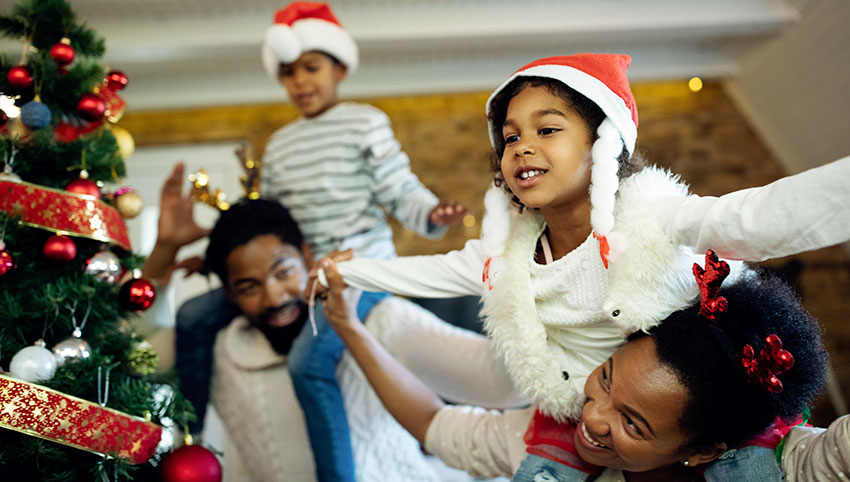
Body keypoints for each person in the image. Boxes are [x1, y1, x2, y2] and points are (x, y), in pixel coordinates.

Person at [316, 53, 850, 480]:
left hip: (711, 393)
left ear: (604, 144)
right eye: (510, 137)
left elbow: (754, 218)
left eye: (547, 130)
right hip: (566, 397)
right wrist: (350, 272)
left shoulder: (654, 218)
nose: (522, 146)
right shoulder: (504, 259)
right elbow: (426, 275)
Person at [174, 3, 467, 480]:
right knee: (193, 315)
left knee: (309, 364)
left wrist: (430, 213)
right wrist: (212, 261)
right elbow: (264, 222)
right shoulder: (282, 144)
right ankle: (185, 436)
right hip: (292, 276)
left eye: (311, 68)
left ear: (341, 68)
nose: (300, 82)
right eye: (288, 73)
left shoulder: (364, 122)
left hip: (357, 272)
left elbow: (398, 186)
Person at [318, 251, 850, 481]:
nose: (593, 418)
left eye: (633, 424)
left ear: (706, 450)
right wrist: (349, 326)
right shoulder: (548, 441)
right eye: (607, 380)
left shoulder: (794, 466)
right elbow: (436, 425)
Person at [139, 164, 448, 481]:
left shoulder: (384, 321)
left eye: (284, 272)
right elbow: (131, 354)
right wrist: (165, 248)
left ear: (307, 254)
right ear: (228, 292)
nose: (273, 298)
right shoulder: (215, 346)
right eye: (248, 287)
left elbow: (494, 380)